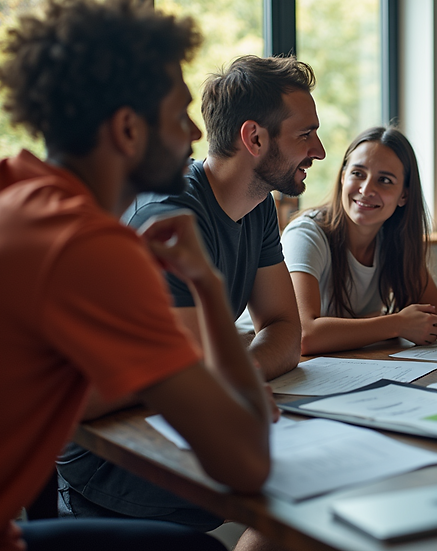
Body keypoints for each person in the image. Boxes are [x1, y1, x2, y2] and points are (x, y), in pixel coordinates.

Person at [0, 1, 273, 549]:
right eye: (180, 115)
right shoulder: (87, 247)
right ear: (128, 129)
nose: (197, 135)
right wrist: (206, 283)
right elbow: (247, 462)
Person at [56, 54, 321, 527]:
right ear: (254, 138)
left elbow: (284, 328)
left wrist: (244, 371)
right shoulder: (170, 218)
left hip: (174, 429)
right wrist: (231, 378)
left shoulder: (257, 205)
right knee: (301, 500)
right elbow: (190, 377)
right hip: (113, 468)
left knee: (312, 499)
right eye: (305, 135)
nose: (319, 151)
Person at [284, 127, 437, 354]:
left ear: (404, 196)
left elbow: (435, 318)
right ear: (343, 177)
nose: (366, 189)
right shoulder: (306, 235)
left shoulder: (394, 239)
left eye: (385, 180)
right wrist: (397, 323)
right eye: (358, 174)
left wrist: (380, 323)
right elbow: (303, 336)